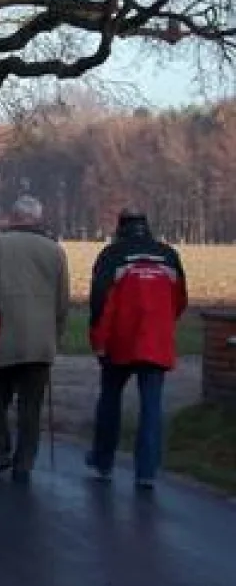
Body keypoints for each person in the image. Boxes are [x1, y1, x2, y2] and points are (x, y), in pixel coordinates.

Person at [86, 208, 188, 490]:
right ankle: (146, 471)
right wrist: (163, 324)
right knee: (152, 407)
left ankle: (103, 461)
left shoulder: (113, 255)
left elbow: (100, 302)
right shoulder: (168, 255)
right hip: (156, 341)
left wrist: (98, 340)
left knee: (110, 400)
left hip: (120, 341)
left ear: (120, 228)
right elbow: (180, 300)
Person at [0, 195, 70, 483]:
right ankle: (25, 462)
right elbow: (62, 300)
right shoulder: (55, 251)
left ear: (13, 217)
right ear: (38, 219)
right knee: (31, 407)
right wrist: (55, 334)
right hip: (39, 342)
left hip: (1, 338)